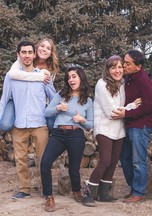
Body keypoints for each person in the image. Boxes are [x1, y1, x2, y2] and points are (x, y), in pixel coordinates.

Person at [82, 55, 141, 207]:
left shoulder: (122, 83)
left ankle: (103, 194)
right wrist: (132, 106)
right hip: (104, 128)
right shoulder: (102, 84)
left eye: (120, 67)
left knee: (114, 162)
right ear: (107, 70)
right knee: (105, 160)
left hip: (119, 129)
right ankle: (88, 192)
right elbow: (112, 112)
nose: (117, 70)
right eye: (113, 67)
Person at [0, 40, 56, 199]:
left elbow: (53, 97)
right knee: (20, 160)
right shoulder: (11, 77)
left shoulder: (43, 76)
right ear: (18, 55)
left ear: (34, 54)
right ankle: (24, 189)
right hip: (19, 124)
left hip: (39, 124)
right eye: (23, 52)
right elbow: (4, 100)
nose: (27, 55)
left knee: (44, 160)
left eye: (29, 52)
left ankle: (46, 190)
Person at [41, 67, 93, 212]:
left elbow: (91, 124)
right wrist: (58, 108)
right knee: (45, 163)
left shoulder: (88, 101)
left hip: (76, 135)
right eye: (68, 77)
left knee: (74, 168)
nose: (71, 79)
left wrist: (81, 120)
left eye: (74, 76)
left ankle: (76, 191)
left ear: (81, 78)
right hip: (58, 134)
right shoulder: (61, 95)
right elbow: (46, 112)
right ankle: (49, 196)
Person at [112, 50, 152, 203]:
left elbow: (148, 107)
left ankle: (139, 192)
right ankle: (134, 187)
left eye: (128, 63)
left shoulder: (143, 80)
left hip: (140, 126)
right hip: (128, 125)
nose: (124, 65)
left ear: (138, 66)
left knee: (138, 160)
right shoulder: (127, 79)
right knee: (125, 158)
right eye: (125, 61)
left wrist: (126, 114)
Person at [0, 37, 59, 132]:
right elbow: (12, 74)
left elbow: (50, 92)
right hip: (18, 97)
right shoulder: (24, 59)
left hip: (40, 101)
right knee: (5, 125)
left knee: (53, 124)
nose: (44, 49)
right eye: (42, 46)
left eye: (48, 48)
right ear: (36, 49)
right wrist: (40, 76)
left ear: (51, 53)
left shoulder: (51, 70)